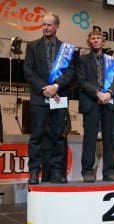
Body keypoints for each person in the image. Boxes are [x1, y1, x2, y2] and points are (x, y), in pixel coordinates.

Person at [23, 13, 74, 184]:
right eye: (43, 24)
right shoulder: (32, 46)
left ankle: (57, 172)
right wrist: (44, 88)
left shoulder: (66, 48)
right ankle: (34, 172)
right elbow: (28, 71)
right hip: (39, 97)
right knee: (36, 136)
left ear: (57, 27)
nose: (45, 27)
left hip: (59, 97)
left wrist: (56, 87)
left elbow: (70, 72)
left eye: (49, 25)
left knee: (58, 136)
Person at [77, 30, 114, 182]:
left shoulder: (111, 60)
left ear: (103, 41)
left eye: (98, 38)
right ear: (89, 41)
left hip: (108, 101)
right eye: (93, 38)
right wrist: (97, 93)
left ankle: (109, 171)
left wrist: (109, 93)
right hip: (91, 101)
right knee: (90, 138)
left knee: (109, 138)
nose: (95, 41)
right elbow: (81, 81)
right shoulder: (82, 60)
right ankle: (88, 171)